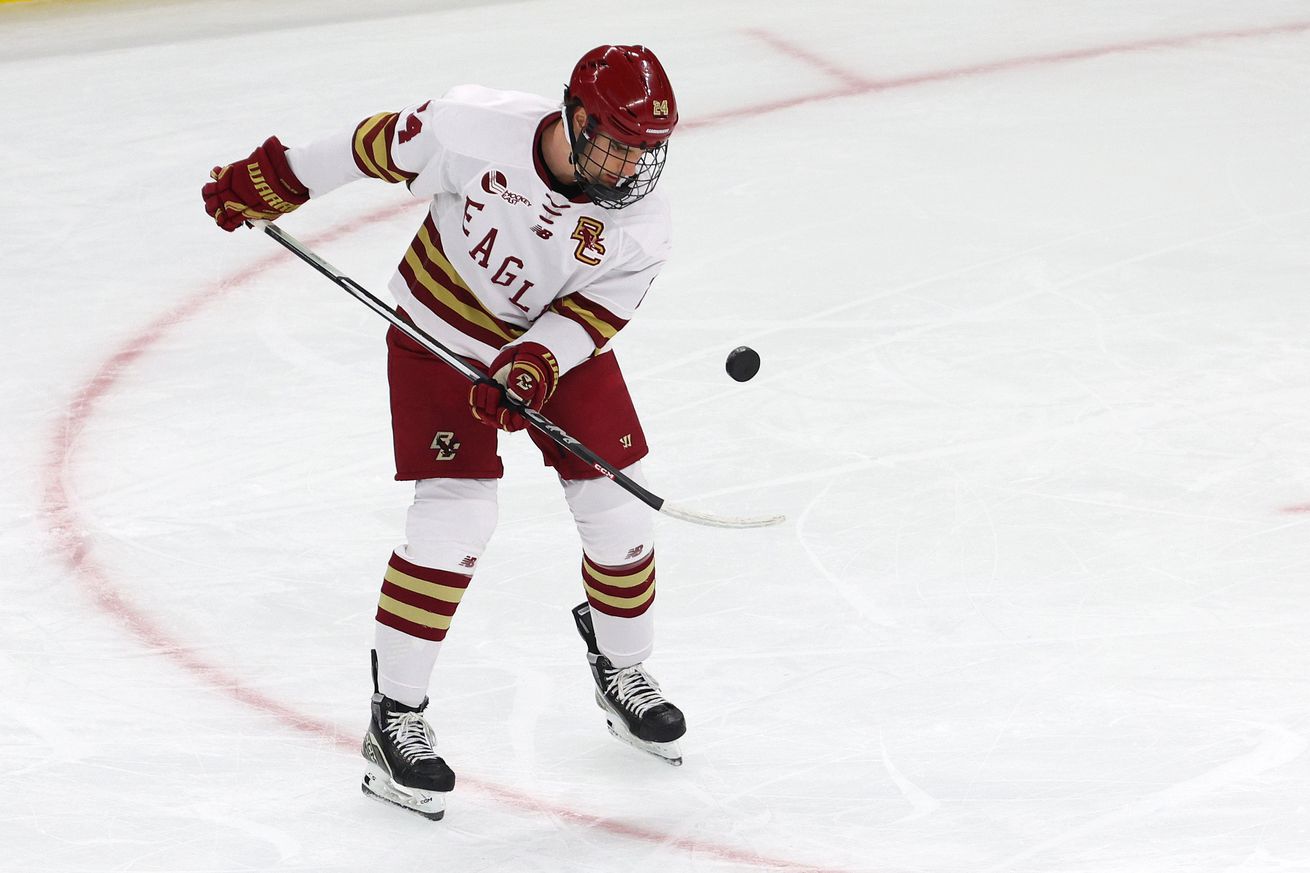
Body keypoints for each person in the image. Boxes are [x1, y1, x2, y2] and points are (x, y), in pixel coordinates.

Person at [202, 45, 685, 821]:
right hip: (439, 330)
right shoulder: (473, 126)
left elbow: (595, 313)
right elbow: (375, 145)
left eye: (645, 150)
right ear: (577, 116)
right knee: (457, 516)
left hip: (551, 350)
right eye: (618, 141)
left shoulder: (641, 221)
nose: (631, 166)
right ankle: (394, 716)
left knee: (619, 510)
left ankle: (622, 667)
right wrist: (276, 176)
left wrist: (533, 363)